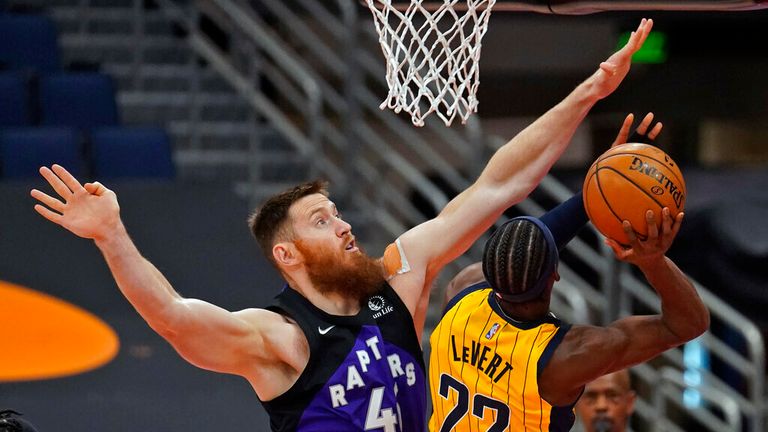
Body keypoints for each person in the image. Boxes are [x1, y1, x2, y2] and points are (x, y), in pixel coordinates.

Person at [30, 18, 655, 432]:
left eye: (339, 214)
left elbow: (498, 186)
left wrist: (588, 94)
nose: (346, 227)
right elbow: (169, 313)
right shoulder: (278, 340)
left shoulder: (399, 282)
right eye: (323, 221)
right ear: (288, 254)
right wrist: (112, 235)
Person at [428, 112, 708, 431]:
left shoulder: (461, 296)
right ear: (555, 276)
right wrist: (652, 261)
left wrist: (598, 190)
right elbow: (688, 324)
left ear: (491, 272)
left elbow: (521, 249)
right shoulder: (564, 356)